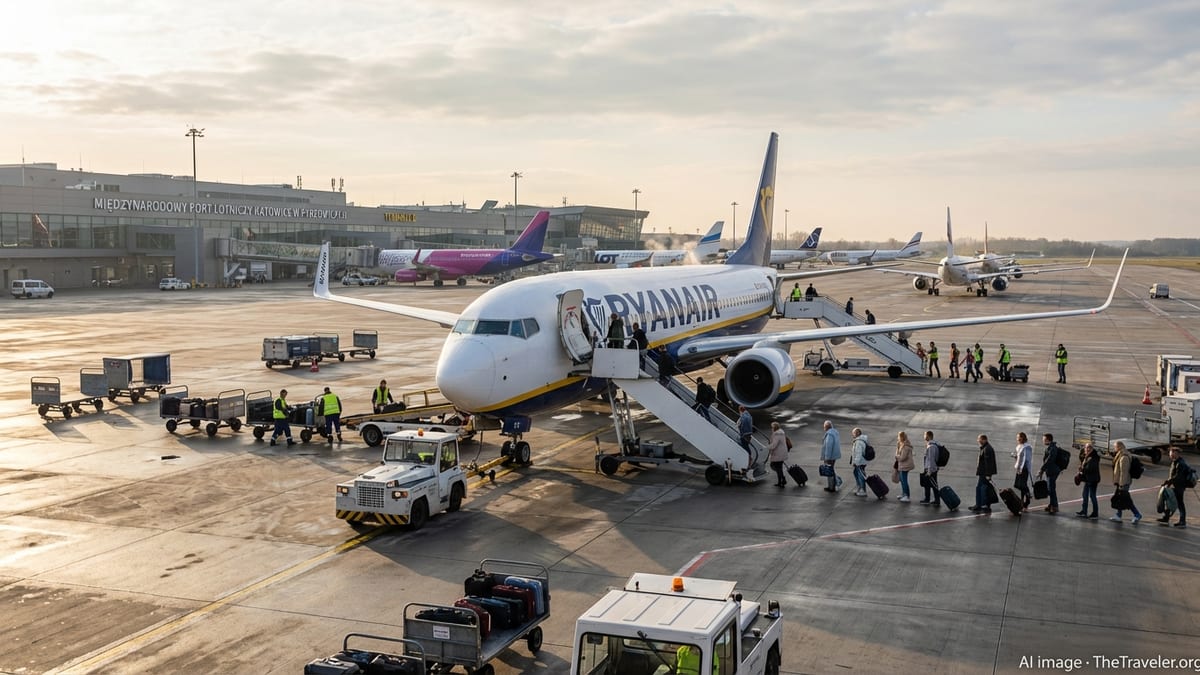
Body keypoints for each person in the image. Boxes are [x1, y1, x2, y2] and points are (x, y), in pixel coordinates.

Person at [1109, 440, 1142, 524]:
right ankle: (1118, 515)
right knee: (1119, 498)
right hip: (1121, 482)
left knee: (1126, 499)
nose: (1114, 448)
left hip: (1124, 482)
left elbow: (1124, 472)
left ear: (1119, 447)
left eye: (1115, 447)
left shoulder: (1124, 457)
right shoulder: (1120, 455)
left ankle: (1137, 514)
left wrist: (1121, 484)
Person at [1162, 446, 1191, 528]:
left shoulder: (1180, 464)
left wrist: (1168, 481)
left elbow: (1177, 476)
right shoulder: (1175, 462)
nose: (1170, 455)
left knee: (1179, 503)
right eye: (1170, 454)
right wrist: (1169, 482)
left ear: (1176, 454)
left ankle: (1182, 521)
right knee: (1169, 500)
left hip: (1179, 487)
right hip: (1175, 485)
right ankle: (1166, 517)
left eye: (1172, 454)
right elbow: (1172, 475)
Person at [970, 434, 998, 513]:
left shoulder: (987, 449)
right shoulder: (985, 447)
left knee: (983, 489)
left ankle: (983, 505)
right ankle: (980, 505)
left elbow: (989, 463)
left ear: (984, 440)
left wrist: (988, 475)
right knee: (982, 488)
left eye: (979, 439)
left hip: (984, 473)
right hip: (983, 473)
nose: (978, 441)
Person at [1037, 432, 1064, 513]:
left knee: (1051, 489)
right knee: (1050, 488)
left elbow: (1049, 460)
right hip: (1050, 471)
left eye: (1044, 439)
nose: (1043, 441)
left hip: (1052, 471)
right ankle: (1052, 504)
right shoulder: (1050, 447)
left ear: (1048, 440)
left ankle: (1055, 506)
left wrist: (1041, 470)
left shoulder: (1052, 448)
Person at [1076, 442, 1101, 518]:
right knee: (1085, 495)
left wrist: (1082, 470)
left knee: (1092, 496)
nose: (1087, 449)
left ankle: (1095, 513)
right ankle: (1084, 511)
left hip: (1092, 480)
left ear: (1092, 449)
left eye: (1089, 447)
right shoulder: (1087, 456)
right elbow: (1082, 459)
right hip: (1088, 479)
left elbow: (1090, 468)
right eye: (1086, 447)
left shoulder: (1094, 457)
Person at [920, 430, 941, 506]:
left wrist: (929, 471)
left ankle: (932, 499)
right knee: (931, 484)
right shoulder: (935, 444)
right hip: (933, 468)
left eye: (925, 435)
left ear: (928, 436)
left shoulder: (931, 447)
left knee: (931, 485)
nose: (924, 437)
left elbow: (931, 459)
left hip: (931, 469)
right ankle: (933, 499)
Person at [1013, 432, 1033, 510]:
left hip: (1023, 469)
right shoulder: (1019, 446)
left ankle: (1027, 499)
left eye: (1018, 437)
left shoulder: (1027, 447)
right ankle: (1023, 500)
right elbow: (1020, 457)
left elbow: (1026, 459)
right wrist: (1016, 456)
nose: (1017, 439)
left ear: (1022, 438)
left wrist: (1021, 468)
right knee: (1019, 485)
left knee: (1022, 485)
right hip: (1019, 468)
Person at [820, 420, 842, 492]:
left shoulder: (829, 434)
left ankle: (832, 486)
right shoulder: (835, 432)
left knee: (829, 471)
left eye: (824, 426)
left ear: (826, 427)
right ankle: (833, 485)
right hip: (834, 455)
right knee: (831, 470)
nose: (823, 428)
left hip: (830, 456)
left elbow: (828, 447)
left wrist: (827, 457)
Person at [767, 421, 789, 487]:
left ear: (774, 428)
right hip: (781, 453)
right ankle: (780, 481)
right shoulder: (781, 433)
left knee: (776, 467)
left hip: (778, 454)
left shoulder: (776, 434)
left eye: (772, 427)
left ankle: (782, 480)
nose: (771, 428)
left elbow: (774, 445)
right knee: (779, 468)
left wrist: (767, 447)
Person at [850, 427, 870, 497]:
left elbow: (858, 453)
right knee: (856, 473)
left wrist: (855, 462)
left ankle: (862, 490)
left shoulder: (858, 442)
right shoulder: (862, 440)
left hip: (860, 462)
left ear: (857, 433)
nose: (852, 435)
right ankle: (859, 487)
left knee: (860, 475)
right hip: (862, 461)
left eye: (853, 433)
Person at [895, 431, 914, 502]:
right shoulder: (900, 444)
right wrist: (897, 447)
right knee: (902, 480)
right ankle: (904, 494)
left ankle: (907, 496)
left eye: (899, 436)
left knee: (904, 480)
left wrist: (897, 457)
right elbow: (897, 453)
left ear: (902, 437)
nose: (898, 438)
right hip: (902, 465)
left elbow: (903, 457)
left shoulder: (906, 446)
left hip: (905, 465)